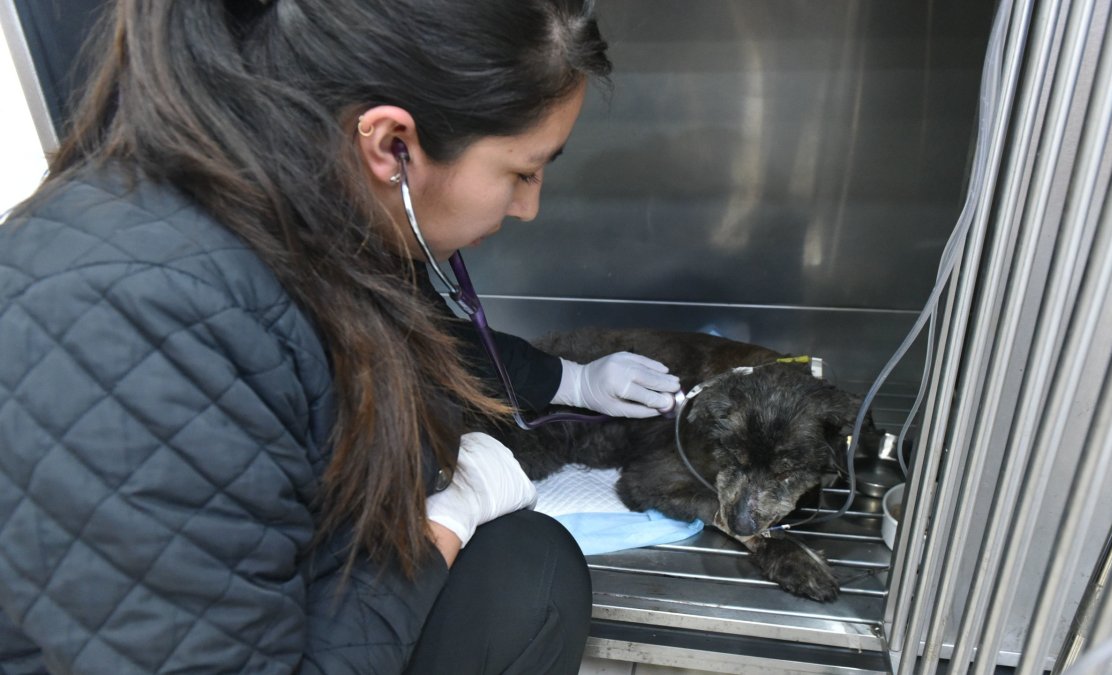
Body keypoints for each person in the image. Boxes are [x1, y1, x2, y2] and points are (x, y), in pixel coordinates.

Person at [0, 0, 682, 672]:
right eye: (523, 171)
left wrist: (572, 380)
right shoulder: (136, 324)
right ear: (393, 145)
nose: (528, 206)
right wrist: (444, 519)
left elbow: (427, 337)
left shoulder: (301, 197)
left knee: (528, 566)